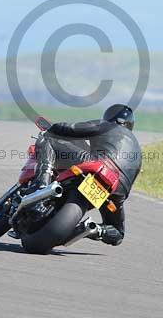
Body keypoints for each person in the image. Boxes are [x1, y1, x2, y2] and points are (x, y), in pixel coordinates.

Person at [34, 104, 141, 246]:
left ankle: (41, 189)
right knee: (118, 231)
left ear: (109, 117)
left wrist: (52, 129)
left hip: (97, 165)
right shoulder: (138, 150)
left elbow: (71, 129)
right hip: (116, 189)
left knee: (48, 142)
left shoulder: (106, 126)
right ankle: (93, 229)